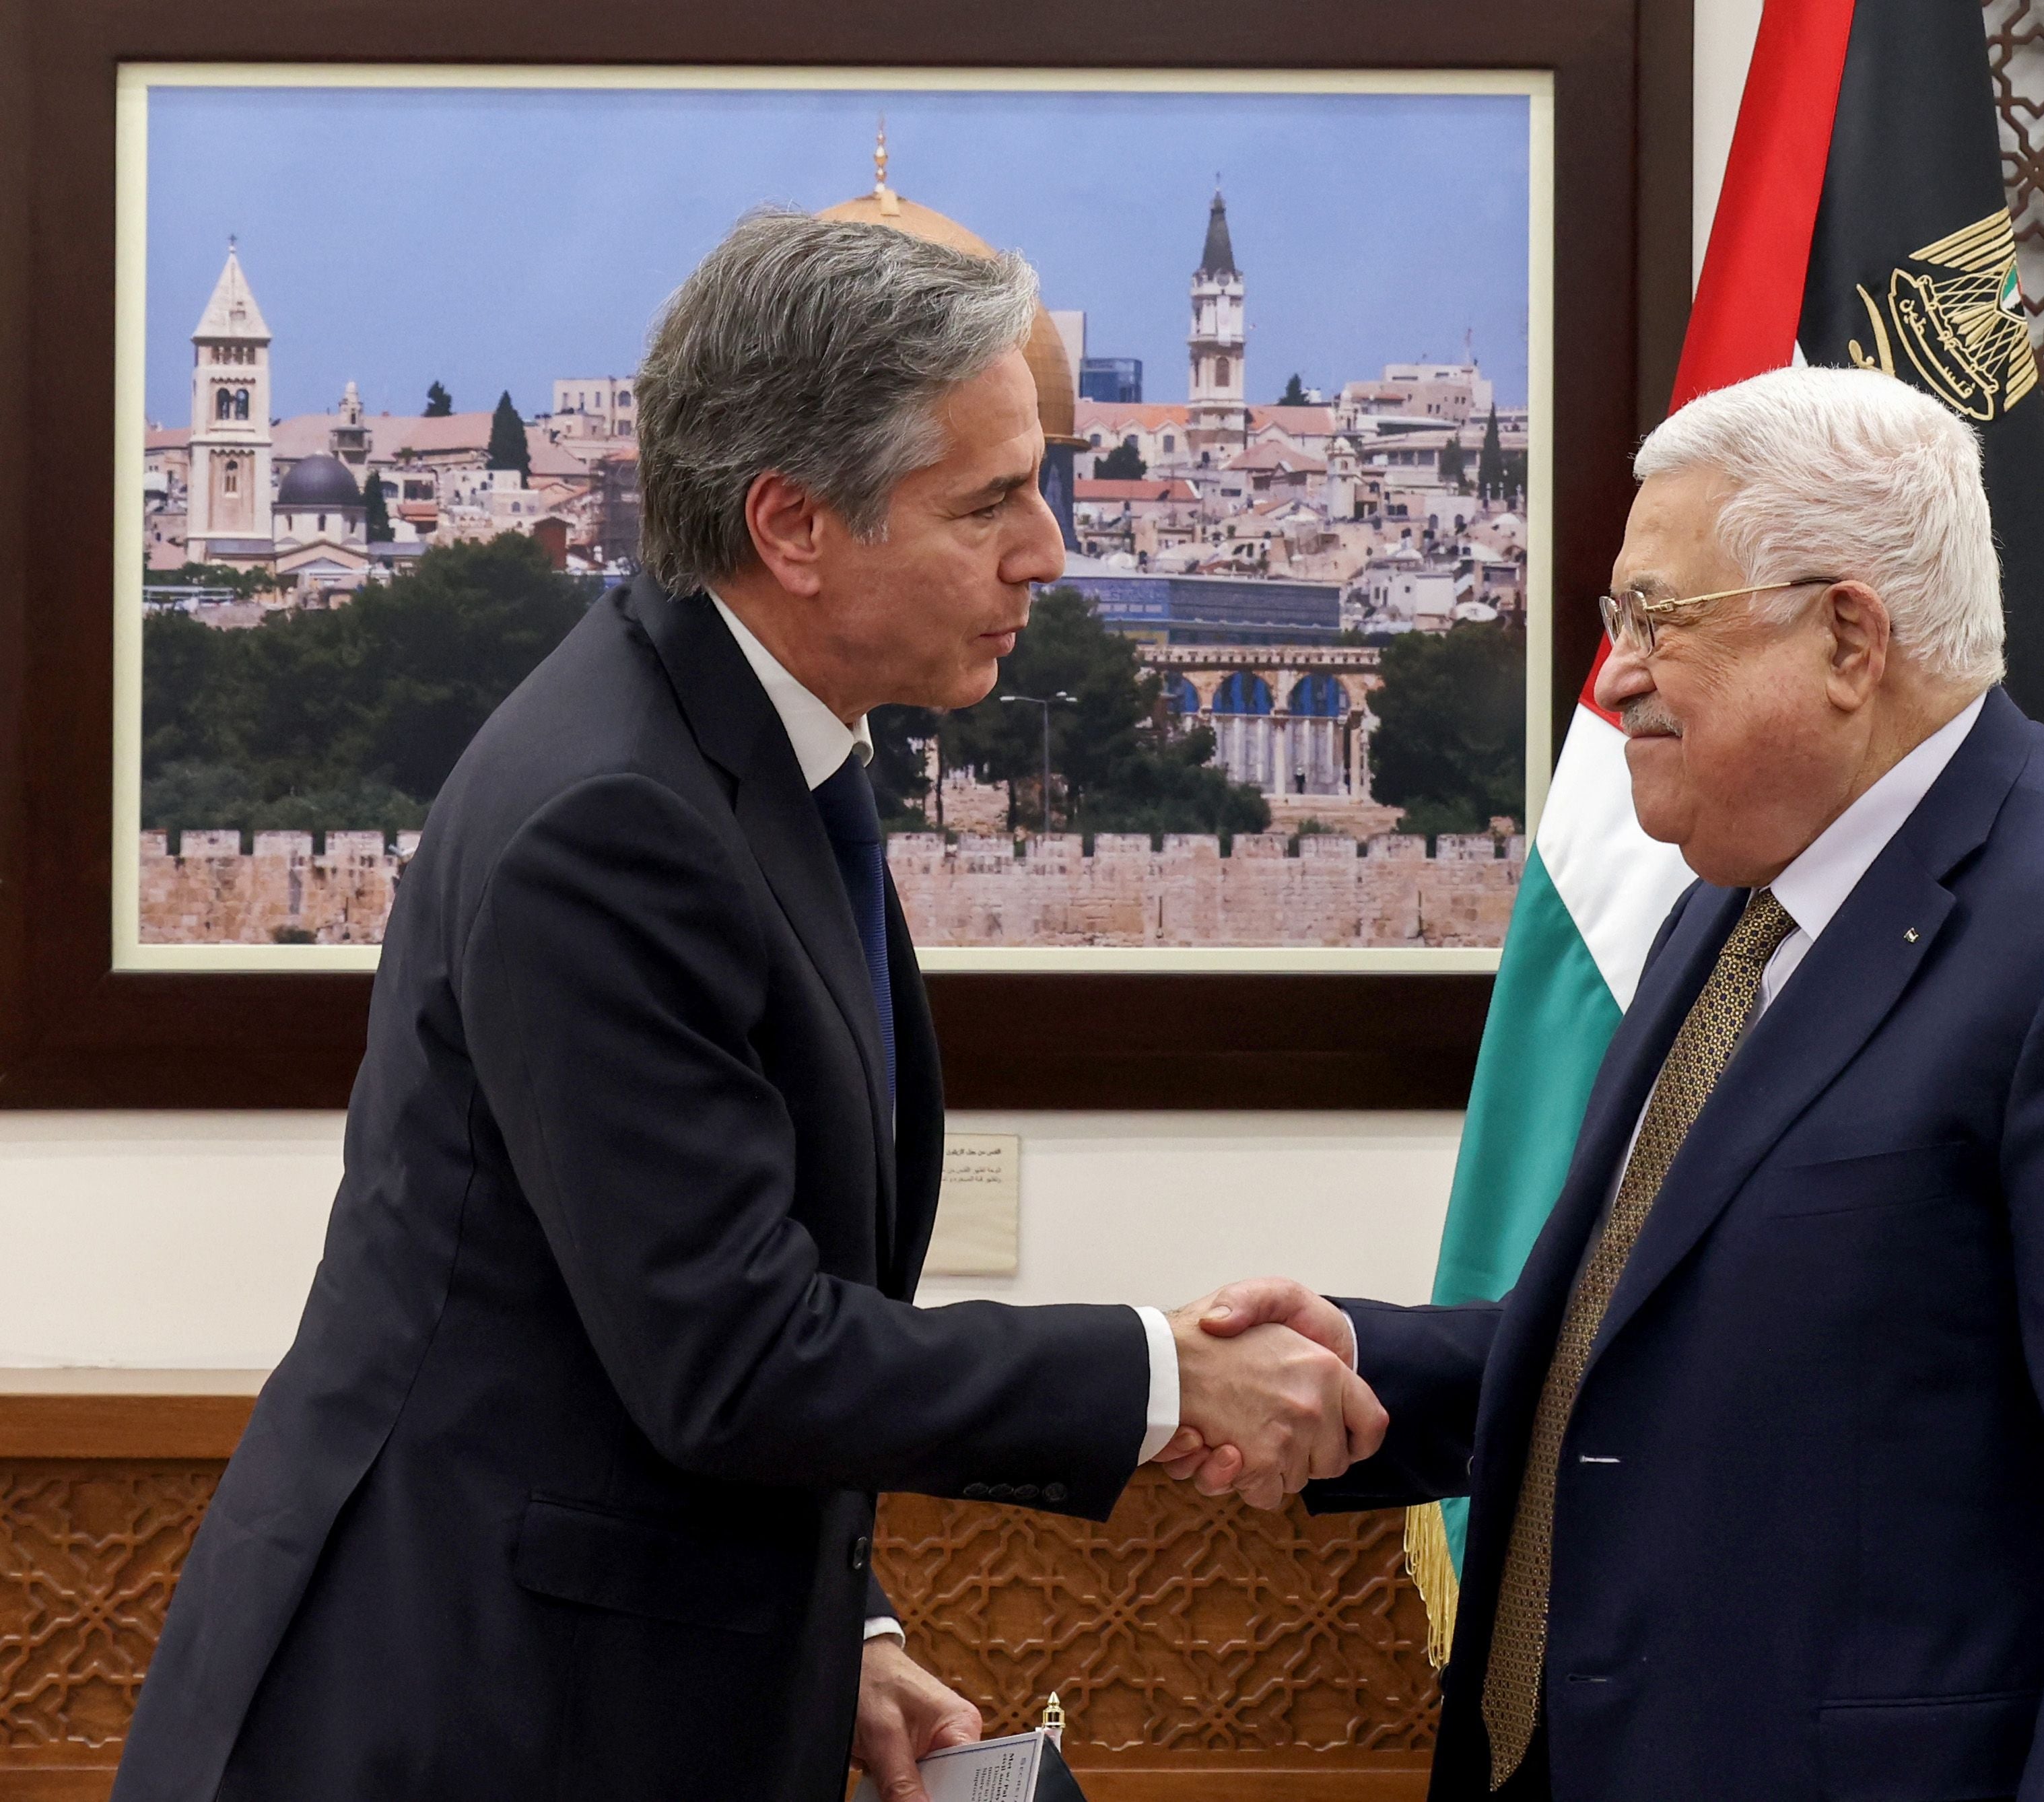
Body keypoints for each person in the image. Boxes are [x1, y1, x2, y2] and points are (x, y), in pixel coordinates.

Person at [112, 213, 1379, 1802]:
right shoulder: (615, 817)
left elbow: (664, 1312)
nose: (1046, 551)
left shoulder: (740, 748)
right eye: (989, 501)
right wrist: (1163, 1376)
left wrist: (840, 1618)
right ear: (792, 522)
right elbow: (729, 1353)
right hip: (458, 1721)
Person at [1175, 366, 2044, 1801]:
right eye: (1615, 620)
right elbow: (1669, 1349)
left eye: (1658, 618)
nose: (1616, 676)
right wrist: (1354, 1358)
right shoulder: (1730, 899)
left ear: (1849, 634)